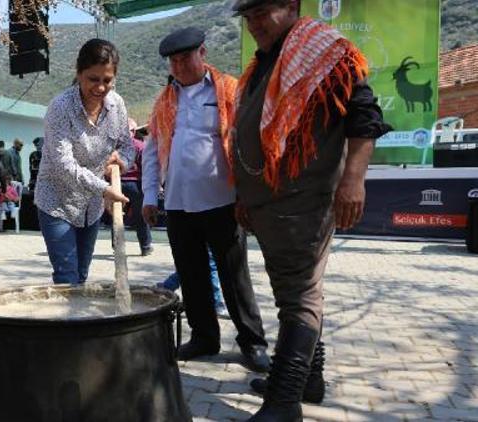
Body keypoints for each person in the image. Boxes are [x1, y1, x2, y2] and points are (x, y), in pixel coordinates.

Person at [230, 1, 392, 419]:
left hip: (304, 202)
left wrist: (353, 180)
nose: (254, 24)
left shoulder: (326, 51)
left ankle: (284, 402)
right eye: (248, 18)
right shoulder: (264, 63)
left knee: (300, 296)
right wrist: (244, 196)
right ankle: (309, 380)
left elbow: (365, 117)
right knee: (292, 294)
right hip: (267, 204)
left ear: (291, 5)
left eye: (262, 12)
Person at [142, 27, 269, 370]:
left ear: (203, 52)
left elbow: (247, 142)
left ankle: (253, 342)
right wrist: (150, 196)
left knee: (233, 275)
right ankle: (204, 338)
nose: (179, 66)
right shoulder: (165, 100)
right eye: (173, 61)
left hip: (222, 200)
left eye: (185, 57)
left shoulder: (230, 89)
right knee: (191, 272)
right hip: (179, 203)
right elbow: (152, 151)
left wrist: (250, 194)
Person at [35, 38, 133, 285]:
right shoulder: (60, 107)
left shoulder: (117, 104)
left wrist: (121, 161)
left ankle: (77, 321)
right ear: (78, 74)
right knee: (67, 276)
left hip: (91, 206)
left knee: (81, 273)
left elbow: (127, 145)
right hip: (56, 200)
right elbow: (63, 164)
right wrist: (104, 189)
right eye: (93, 79)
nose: (100, 88)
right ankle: (66, 323)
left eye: (107, 80)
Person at [120, 118, 152, 256]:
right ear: (133, 131)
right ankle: (145, 246)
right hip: (135, 184)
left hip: (118, 184)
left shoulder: (113, 146)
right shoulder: (140, 146)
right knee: (140, 217)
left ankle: (117, 246)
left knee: (117, 217)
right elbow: (147, 167)